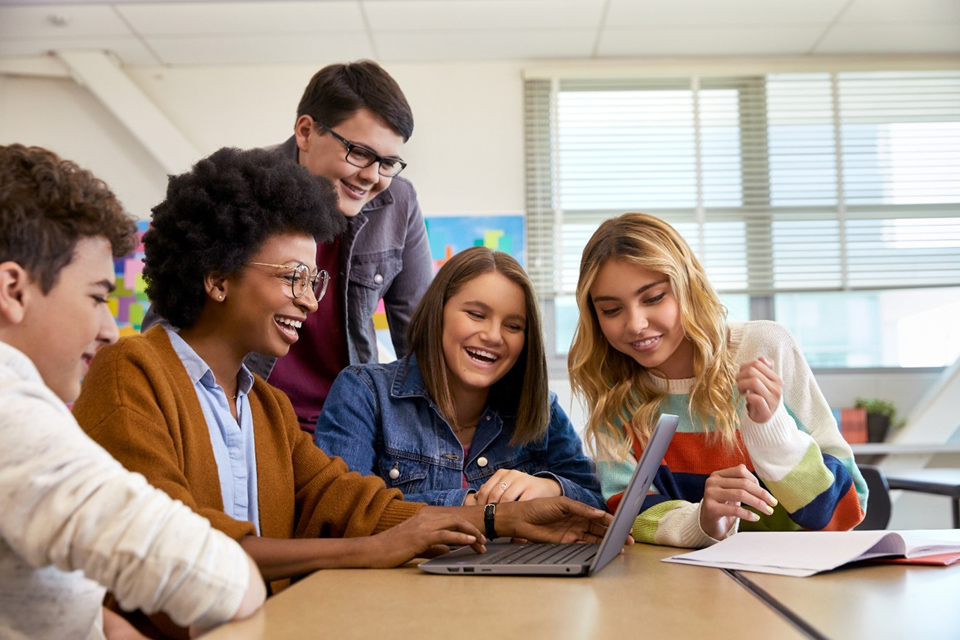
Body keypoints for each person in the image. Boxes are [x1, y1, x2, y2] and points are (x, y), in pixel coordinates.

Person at [73, 148, 613, 638]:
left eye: (314, 282)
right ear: (217, 278)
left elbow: (351, 502)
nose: (310, 302)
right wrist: (373, 549)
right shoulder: (132, 371)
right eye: (293, 277)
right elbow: (183, 544)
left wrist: (499, 519)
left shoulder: (265, 405)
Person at [0, 144, 265, 640]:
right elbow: (216, 582)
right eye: (96, 297)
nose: (107, 329)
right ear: (13, 290)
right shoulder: (9, 410)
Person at [143, 60, 433, 433]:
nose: (373, 177)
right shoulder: (239, 186)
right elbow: (171, 317)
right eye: (359, 153)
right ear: (306, 131)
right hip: (243, 416)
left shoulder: (399, 202)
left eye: (388, 162)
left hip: (348, 424)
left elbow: (422, 337)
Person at [568, 213, 867, 549]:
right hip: (682, 577)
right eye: (611, 310)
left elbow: (847, 509)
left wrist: (773, 433)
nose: (635, 324)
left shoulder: (763, 348)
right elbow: (628, 512)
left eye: (653, 298)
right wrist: (701, 521)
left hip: (798, 570)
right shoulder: (613, 388)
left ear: (689, 288)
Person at [315, 247, 604, 509]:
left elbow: (596, 503)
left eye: (513, 326)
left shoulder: (542, 409)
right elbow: (339, 507)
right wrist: (471, 508)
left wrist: (551, 488)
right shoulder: (363, 392)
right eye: (476, 314)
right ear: (437, 313)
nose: (494, 336)